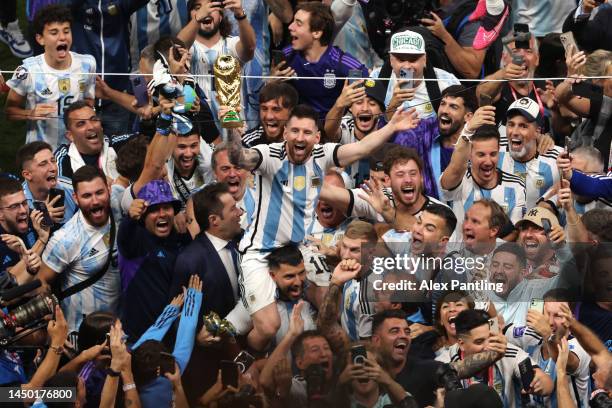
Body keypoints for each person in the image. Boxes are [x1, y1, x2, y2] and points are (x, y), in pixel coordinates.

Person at [228, 103, 418, 351]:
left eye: (307, 132)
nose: (300, 137)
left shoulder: (322, 155)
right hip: (260, 252)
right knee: (267, 326)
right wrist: (231, 127)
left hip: (299, 248)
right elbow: (239, 158)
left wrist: (392, 125)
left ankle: (342, 359)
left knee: (328, 297)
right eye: (294, 131)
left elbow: (361, 148)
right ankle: (251, 359)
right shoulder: (269, 155)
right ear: (285, 133)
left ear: (317, 137)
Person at [373, 29, 460, 197]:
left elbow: (459, 124)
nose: (407, 66)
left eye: (413, 59)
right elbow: (368, 128)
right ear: (391, 59)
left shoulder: (445, 82)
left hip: (433, 161)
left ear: (425, 59)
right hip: (388, 161)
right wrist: (393, 105)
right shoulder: (378, 79)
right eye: (400, 59)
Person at [37, 166, 120, 335]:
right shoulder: (65, 239)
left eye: (99, 192)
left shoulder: (119, 209)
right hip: (82, 333)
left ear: (109, 189)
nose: (95, 201)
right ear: (75, 198)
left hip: (119, 325)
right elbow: (41, 282)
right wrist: (55, 323)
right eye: (87, 195)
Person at [5, 4, 96, 150]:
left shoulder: (87, 64)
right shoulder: (28, 70)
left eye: (66, 31)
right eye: (54, 33)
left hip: (77, 152)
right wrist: (30, 113)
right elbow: (10, 111)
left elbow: (89, 100)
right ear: (40, 39)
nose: (62, 37)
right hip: (41, 154)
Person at [118, 180, 191, 341]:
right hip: (139, 340)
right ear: (143, 216)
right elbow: (124, 236)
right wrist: (130, 218)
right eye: (154, 210)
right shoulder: (136, 242)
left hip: (173, 338)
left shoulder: (180, 240)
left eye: (166, 207)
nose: (162, 214)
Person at [442, 309, 554, 407]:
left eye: (490, 338)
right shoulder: (446, 359)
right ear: (461, 344)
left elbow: (547, 384)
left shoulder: (507, 351)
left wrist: (540, 383)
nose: (488, 346)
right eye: (479, 342)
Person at [278, 1, 368, 118]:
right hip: (299, 128)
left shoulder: (341, 63)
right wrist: (272, 82)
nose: (290, 27)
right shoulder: (287, 56)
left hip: (333, 129)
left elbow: (368, 84)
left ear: (317, 32)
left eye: (298, 24)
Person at [504, 290, 592, 407]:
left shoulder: (579, 346)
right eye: (547, 314)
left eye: (558, 316)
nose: (550, 322)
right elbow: (499, 330)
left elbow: (565, 361)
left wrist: (547, 335)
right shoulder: (530, 336)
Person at [440, 116, 527, 235]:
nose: (488, 161)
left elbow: (514, 233)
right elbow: (455, 169)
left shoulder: (516, 186)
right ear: (470, 153)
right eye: (481, 155)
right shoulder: (460, 180)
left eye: (493, 154)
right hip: (460, 253)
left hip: (499, 252)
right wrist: (467, 131)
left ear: (499, 150)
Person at [178, 0, 256, 131]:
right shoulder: (187, 48)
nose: (205, 11)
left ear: (221, 16)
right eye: (197, 8)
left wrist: (240, 14)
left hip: (232, 128)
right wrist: (198, 19)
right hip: (196, 132)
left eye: (211, 7)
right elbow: (177, 47)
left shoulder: (233, 44)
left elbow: (250, 47)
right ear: (190, 16)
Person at [488, 241, 579, 326]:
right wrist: (493, 321)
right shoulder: (479, 294)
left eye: (507, 267)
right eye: (495, 265)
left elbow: (570, 276)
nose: (499, 271)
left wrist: (560, 247)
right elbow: (491, 336)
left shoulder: (539, 290)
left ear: (522, 272)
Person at [499, 98, 562, 208]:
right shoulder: (494, 151)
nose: (514, 132)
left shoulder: (558, 158)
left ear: (537, 131)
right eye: (511, 124)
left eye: (523, 126)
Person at [324, 78, 387, 187]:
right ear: (350, 108)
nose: (365, 108)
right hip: (344, 197)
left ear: (381, 111)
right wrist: (340, 104)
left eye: (372, 104)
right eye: (359, 102)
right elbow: (329, 131)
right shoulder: (345, 125)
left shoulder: (387, 130)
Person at [55, 101, 131, 182]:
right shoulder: (63, 157)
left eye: (94, 120)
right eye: (81, 124)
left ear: (101, 126)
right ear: (71, 136)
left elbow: (145, 142)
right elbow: (63, 192)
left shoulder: (118, 144)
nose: (91, 126)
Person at [0, 177, 48, 285]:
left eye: (24, 203)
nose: (23, 210)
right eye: (14, 206)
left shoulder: (35, 219)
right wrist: (41, 241)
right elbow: (5, 288)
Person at [16, 141, 76, 224]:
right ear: (27, 175)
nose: (53, 168)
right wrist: (44, 219)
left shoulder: (72, 188)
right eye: (43, 164)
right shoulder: (17, 202)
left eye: (53, 161)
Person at [210, 142, 254, 229]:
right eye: (225, 169)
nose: (232, 174)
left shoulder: (263, 200)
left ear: (248, 170)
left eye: (238, 168)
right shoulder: (200, 199)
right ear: (214, 172)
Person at [241, 81, 298, 147]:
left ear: (291, 112)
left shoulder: (303, 141)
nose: (269, 116)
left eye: (276, 109)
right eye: (264, 109)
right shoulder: (248, 142)